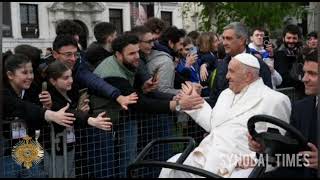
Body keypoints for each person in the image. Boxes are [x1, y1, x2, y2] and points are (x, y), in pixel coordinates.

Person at [159, 53, 291, 178]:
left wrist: (253, 159)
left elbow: (276, 146)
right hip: (208, 155)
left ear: (248, 76)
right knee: (171, 166)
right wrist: (195, 101)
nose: (227, 76)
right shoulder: (225, 94)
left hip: (239, 163)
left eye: (232, 71)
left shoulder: (275, 100)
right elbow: (214, 125)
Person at [93, 34, 204, 177]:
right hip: (104, 123)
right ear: (118, 54)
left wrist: (143, 89)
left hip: (117, 119)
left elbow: (133, 96)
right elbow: (138, 103)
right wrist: (177, 104)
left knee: (127, 162)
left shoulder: (123, 65)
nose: (137, 56)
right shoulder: (112, 73)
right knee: (107, 168)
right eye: (132, 53)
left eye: (137, 51)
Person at [246, 50, 318, 178]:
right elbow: (291, 152)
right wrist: (264, 148)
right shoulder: (301, 107)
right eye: (304, 72)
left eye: (312, 74)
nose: (304, 79)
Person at [2, 54, 75, 177]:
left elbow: (35, 119)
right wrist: (48, 114)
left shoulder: (32, 90)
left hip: (27, 148)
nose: (30, 76)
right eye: (24, 73)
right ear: (10, 75)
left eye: (31, 72)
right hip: (5, 153)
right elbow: (20, 107)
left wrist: (46, 107)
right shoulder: (4, 92)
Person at [43, 60, 112, 178]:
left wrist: (82, 111)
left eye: (70, 76)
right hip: (55, 148)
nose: (70, 80)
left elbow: (75, 114)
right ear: (53, 81)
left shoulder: (71, 92)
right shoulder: (48, 98)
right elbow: (67, 113)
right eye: (65, 78)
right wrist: (89, 119)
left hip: (69, 145)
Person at [208, 22, 272, 107]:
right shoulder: (221, 65)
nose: (224, 43)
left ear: (242, 40)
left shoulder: (259, 66)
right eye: (223, 38)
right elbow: (214, 99)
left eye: (229, 38)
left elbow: (267, 99)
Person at [274, 24, 305, 100]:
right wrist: (303, 85)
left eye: (294, 38)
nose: (291, 41)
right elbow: (284, 77)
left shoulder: (299, 53)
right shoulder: (280, 54)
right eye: (289, 38)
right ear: (283, 39)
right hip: (286, 94)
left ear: (298, 39)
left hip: (298, 93)